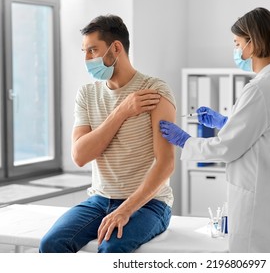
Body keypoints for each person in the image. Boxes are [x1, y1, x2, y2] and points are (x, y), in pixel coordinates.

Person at [160, 7, 270, 252]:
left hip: (261, 211)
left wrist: (185, 140)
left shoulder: (261, 88)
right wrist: (226, 123)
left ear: (253, 42)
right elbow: (268, 136)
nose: (236, 50)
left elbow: (227, 147)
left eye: (237, 43)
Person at [39, 14, 176, 253]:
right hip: (99, 200)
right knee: (51, 244)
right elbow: (80, 156)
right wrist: (121, 112)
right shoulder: (86, 94)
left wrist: (125, 209)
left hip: (150, 203)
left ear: (116, 48)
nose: (87, 59)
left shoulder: (154, 90)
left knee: (111, 249)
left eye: (93, 50)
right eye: (84, 51)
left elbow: (166, 163)